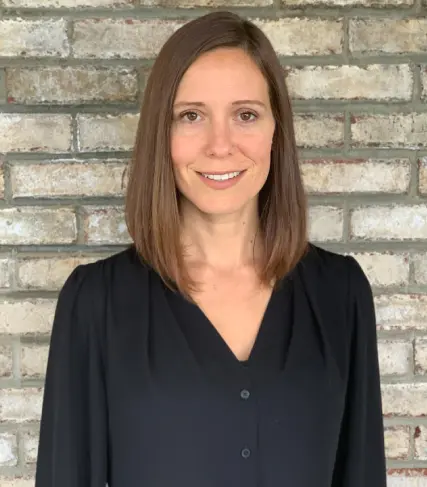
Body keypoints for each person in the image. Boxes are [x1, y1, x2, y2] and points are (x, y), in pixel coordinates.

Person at [35, 10, 387, 487]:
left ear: (275, 131)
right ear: (162, 134)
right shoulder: (96, 303)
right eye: (191, 116)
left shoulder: (340, 294)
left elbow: (361, 471)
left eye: (245, 115)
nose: (220, 145)